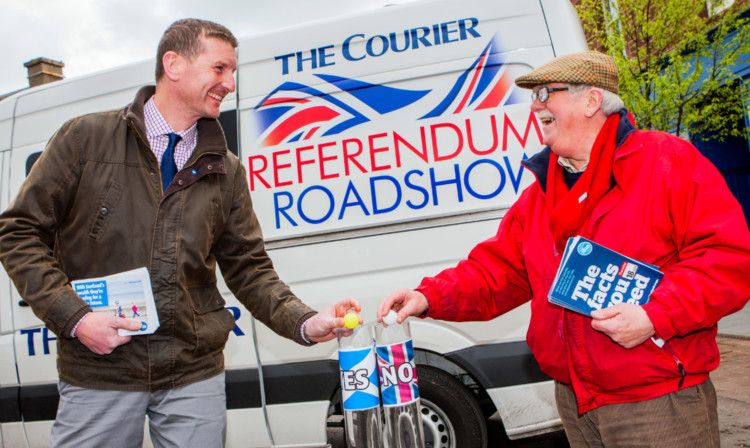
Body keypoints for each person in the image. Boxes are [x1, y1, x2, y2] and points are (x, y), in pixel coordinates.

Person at [0, 19, 359, 448]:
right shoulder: (85, 139)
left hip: (193, 373)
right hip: (101, 372)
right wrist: (75, 318)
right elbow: (18, 232)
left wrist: (304, 320)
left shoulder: (226, 168)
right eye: (220, 68)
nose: (230, 82)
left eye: (232, 71)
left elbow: (250, 269)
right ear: (173, 64)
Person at [377, 51, 750, 447]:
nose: (534, 106)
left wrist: (654, 316)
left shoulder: (667, 162)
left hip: (656, 400)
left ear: (591, 101)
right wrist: (427, 295)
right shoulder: (540, 195)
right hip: (575, 400)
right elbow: (495, 274)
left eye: (545, 94)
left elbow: (727, 260)